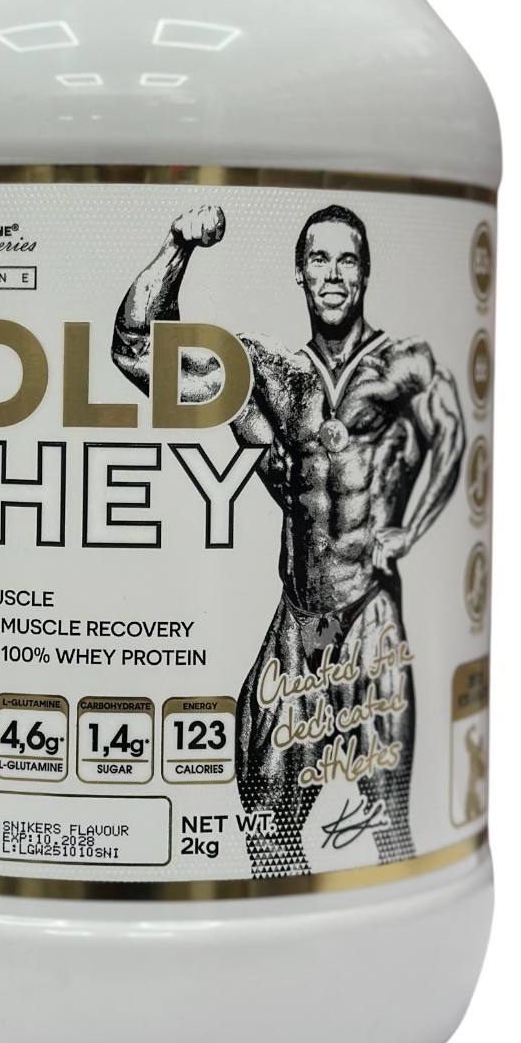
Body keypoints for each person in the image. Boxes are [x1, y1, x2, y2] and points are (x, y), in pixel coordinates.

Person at [113, 203, 464, 876]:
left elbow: (451, 434)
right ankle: (286, 929)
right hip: (299, 621)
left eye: (347, 260)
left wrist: (408, 529)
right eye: (318, 260)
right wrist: (178, 246)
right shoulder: (270, 378)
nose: (333, 275)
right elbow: (135, 349)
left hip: (368, 615)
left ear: (365, 273)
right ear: (299, 273)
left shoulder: (404, 366)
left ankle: (384, 921)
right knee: (264, 818)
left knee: (389, 822)